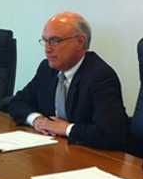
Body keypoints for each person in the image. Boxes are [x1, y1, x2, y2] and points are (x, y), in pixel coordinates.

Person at [9, 12, 129, 150]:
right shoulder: (47, 69)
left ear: (80, 42)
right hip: (51, 151)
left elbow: (112, 134)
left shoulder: (100, 76)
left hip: (87, 157)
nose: (47, 49)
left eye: (55, 41)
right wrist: (36, 120)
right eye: (45, 41)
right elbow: (17, 102)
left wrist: (67, 129)